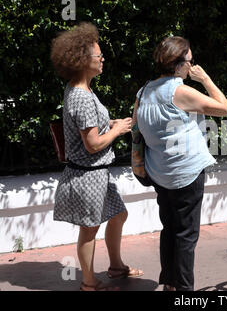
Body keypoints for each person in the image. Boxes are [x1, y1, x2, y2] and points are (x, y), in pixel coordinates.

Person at [50, 22, 143, 291]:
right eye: (98, 55)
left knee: (118, 215)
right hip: (88, 174)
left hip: (97, 173)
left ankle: (115, 266)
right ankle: (89, 282)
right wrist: (117, 130)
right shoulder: (80, 96)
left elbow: (90, 128)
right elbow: (92, 144)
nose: (102, 58)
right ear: (81, 61)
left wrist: (110, 123)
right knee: (89, 229)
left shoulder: (83, 90)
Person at [134, 36, 227, 291]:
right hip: (186, 173)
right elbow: (224, 108)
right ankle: (185, 291)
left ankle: (169, 283)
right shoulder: (180, 91)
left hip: (158, 172)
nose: (191, 66)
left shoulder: (143, 91)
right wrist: (205, 79)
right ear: (178, 64)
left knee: (169, 229)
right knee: (186, 236)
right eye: (190, 62)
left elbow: (136, 128)